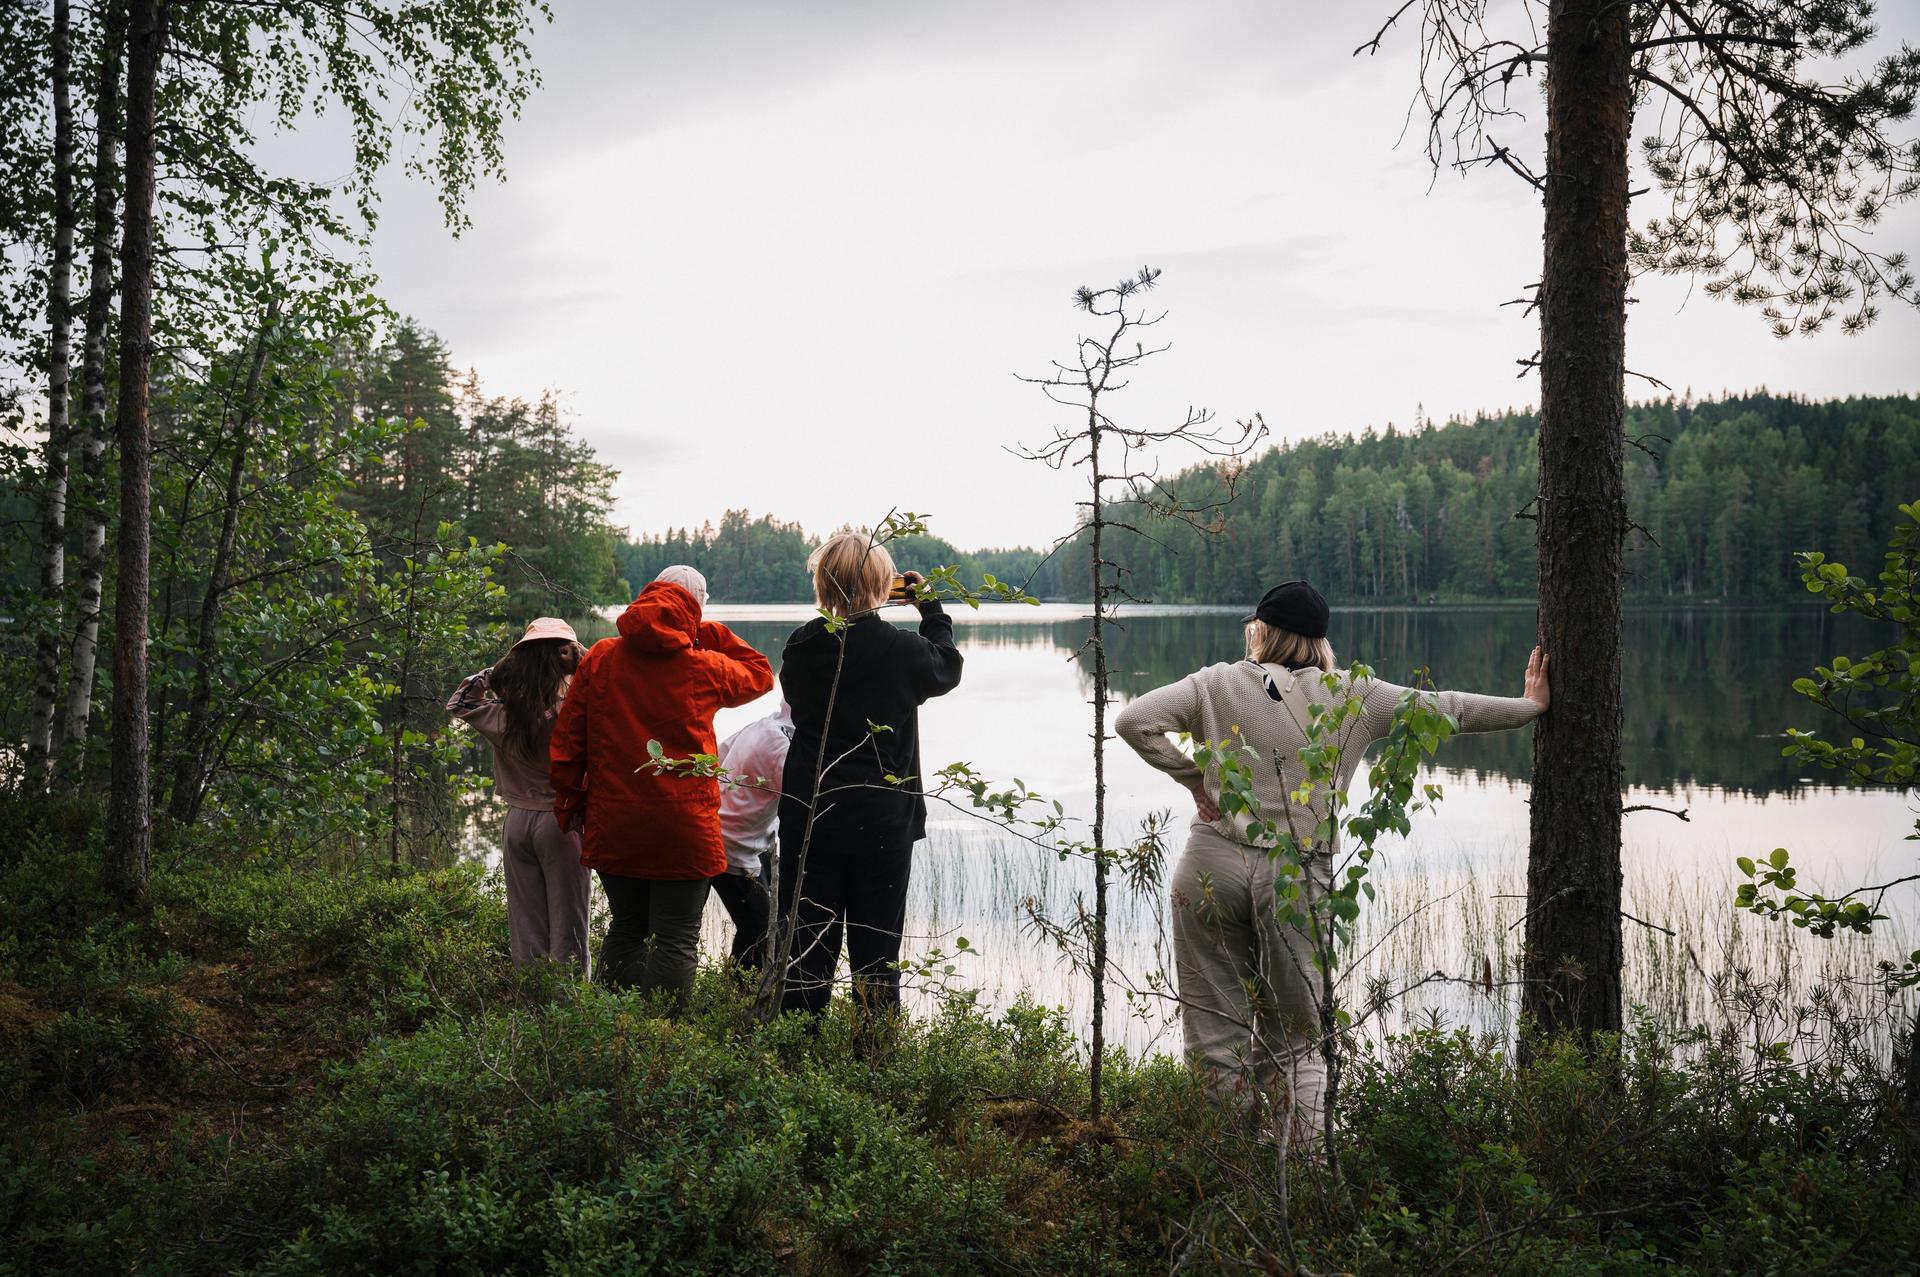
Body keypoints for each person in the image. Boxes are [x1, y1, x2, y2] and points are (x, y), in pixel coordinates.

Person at [1114, 579, 1549, 1131]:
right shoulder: (1356, 696)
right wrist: (1529, 707)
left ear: (1260, 631)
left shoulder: (1215, 684)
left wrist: (1196, 779)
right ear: (1320, 644)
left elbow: (1133, 721)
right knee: (1297, 1047)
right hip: (1295, 876)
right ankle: (1306, 1187)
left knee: (1213, 1039)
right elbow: (1450, 709)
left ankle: (1224, 1182)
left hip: (1210, 865)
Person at [549, 565, 774, 1010]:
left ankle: (609, 1029)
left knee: (627, 927)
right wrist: (700, 628)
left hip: (614, 823)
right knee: (675, 937)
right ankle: (661, 1041)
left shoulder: (600, 658)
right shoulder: (703, 665)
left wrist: (571, 804)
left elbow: (568, 743)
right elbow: (761, 673)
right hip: (684, 828)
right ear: (694, 608)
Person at [777, 531, 963, 1019]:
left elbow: (798, 701)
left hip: (810, 811)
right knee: (876, 955)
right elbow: (947, 667)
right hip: (881, 817)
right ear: (883, 585)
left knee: (804, 949)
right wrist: (930, 610)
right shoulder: (902, 650)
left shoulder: (801, 646)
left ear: (822, 585)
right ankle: (874, 1066)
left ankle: (794, 1058)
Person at [447, 618, 593, 975]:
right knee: (570, 926)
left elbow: (459, 702)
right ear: (566, 659)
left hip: (516, 826)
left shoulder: (503, 715)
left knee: (525, 925)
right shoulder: (569, 714)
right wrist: (584, 660)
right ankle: (571, 1012)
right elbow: (613, 691)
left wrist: (496, 673)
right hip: (561, 823)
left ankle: (532, 1004)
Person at [711, 701, 794, 973]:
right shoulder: (785, 746)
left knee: (762, 928)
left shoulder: (763, 724)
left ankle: (736, 993)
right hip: (735, 850)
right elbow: (804, 805)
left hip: (729, 837)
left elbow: (717, 757)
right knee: (764, 936)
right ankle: (741, 999)